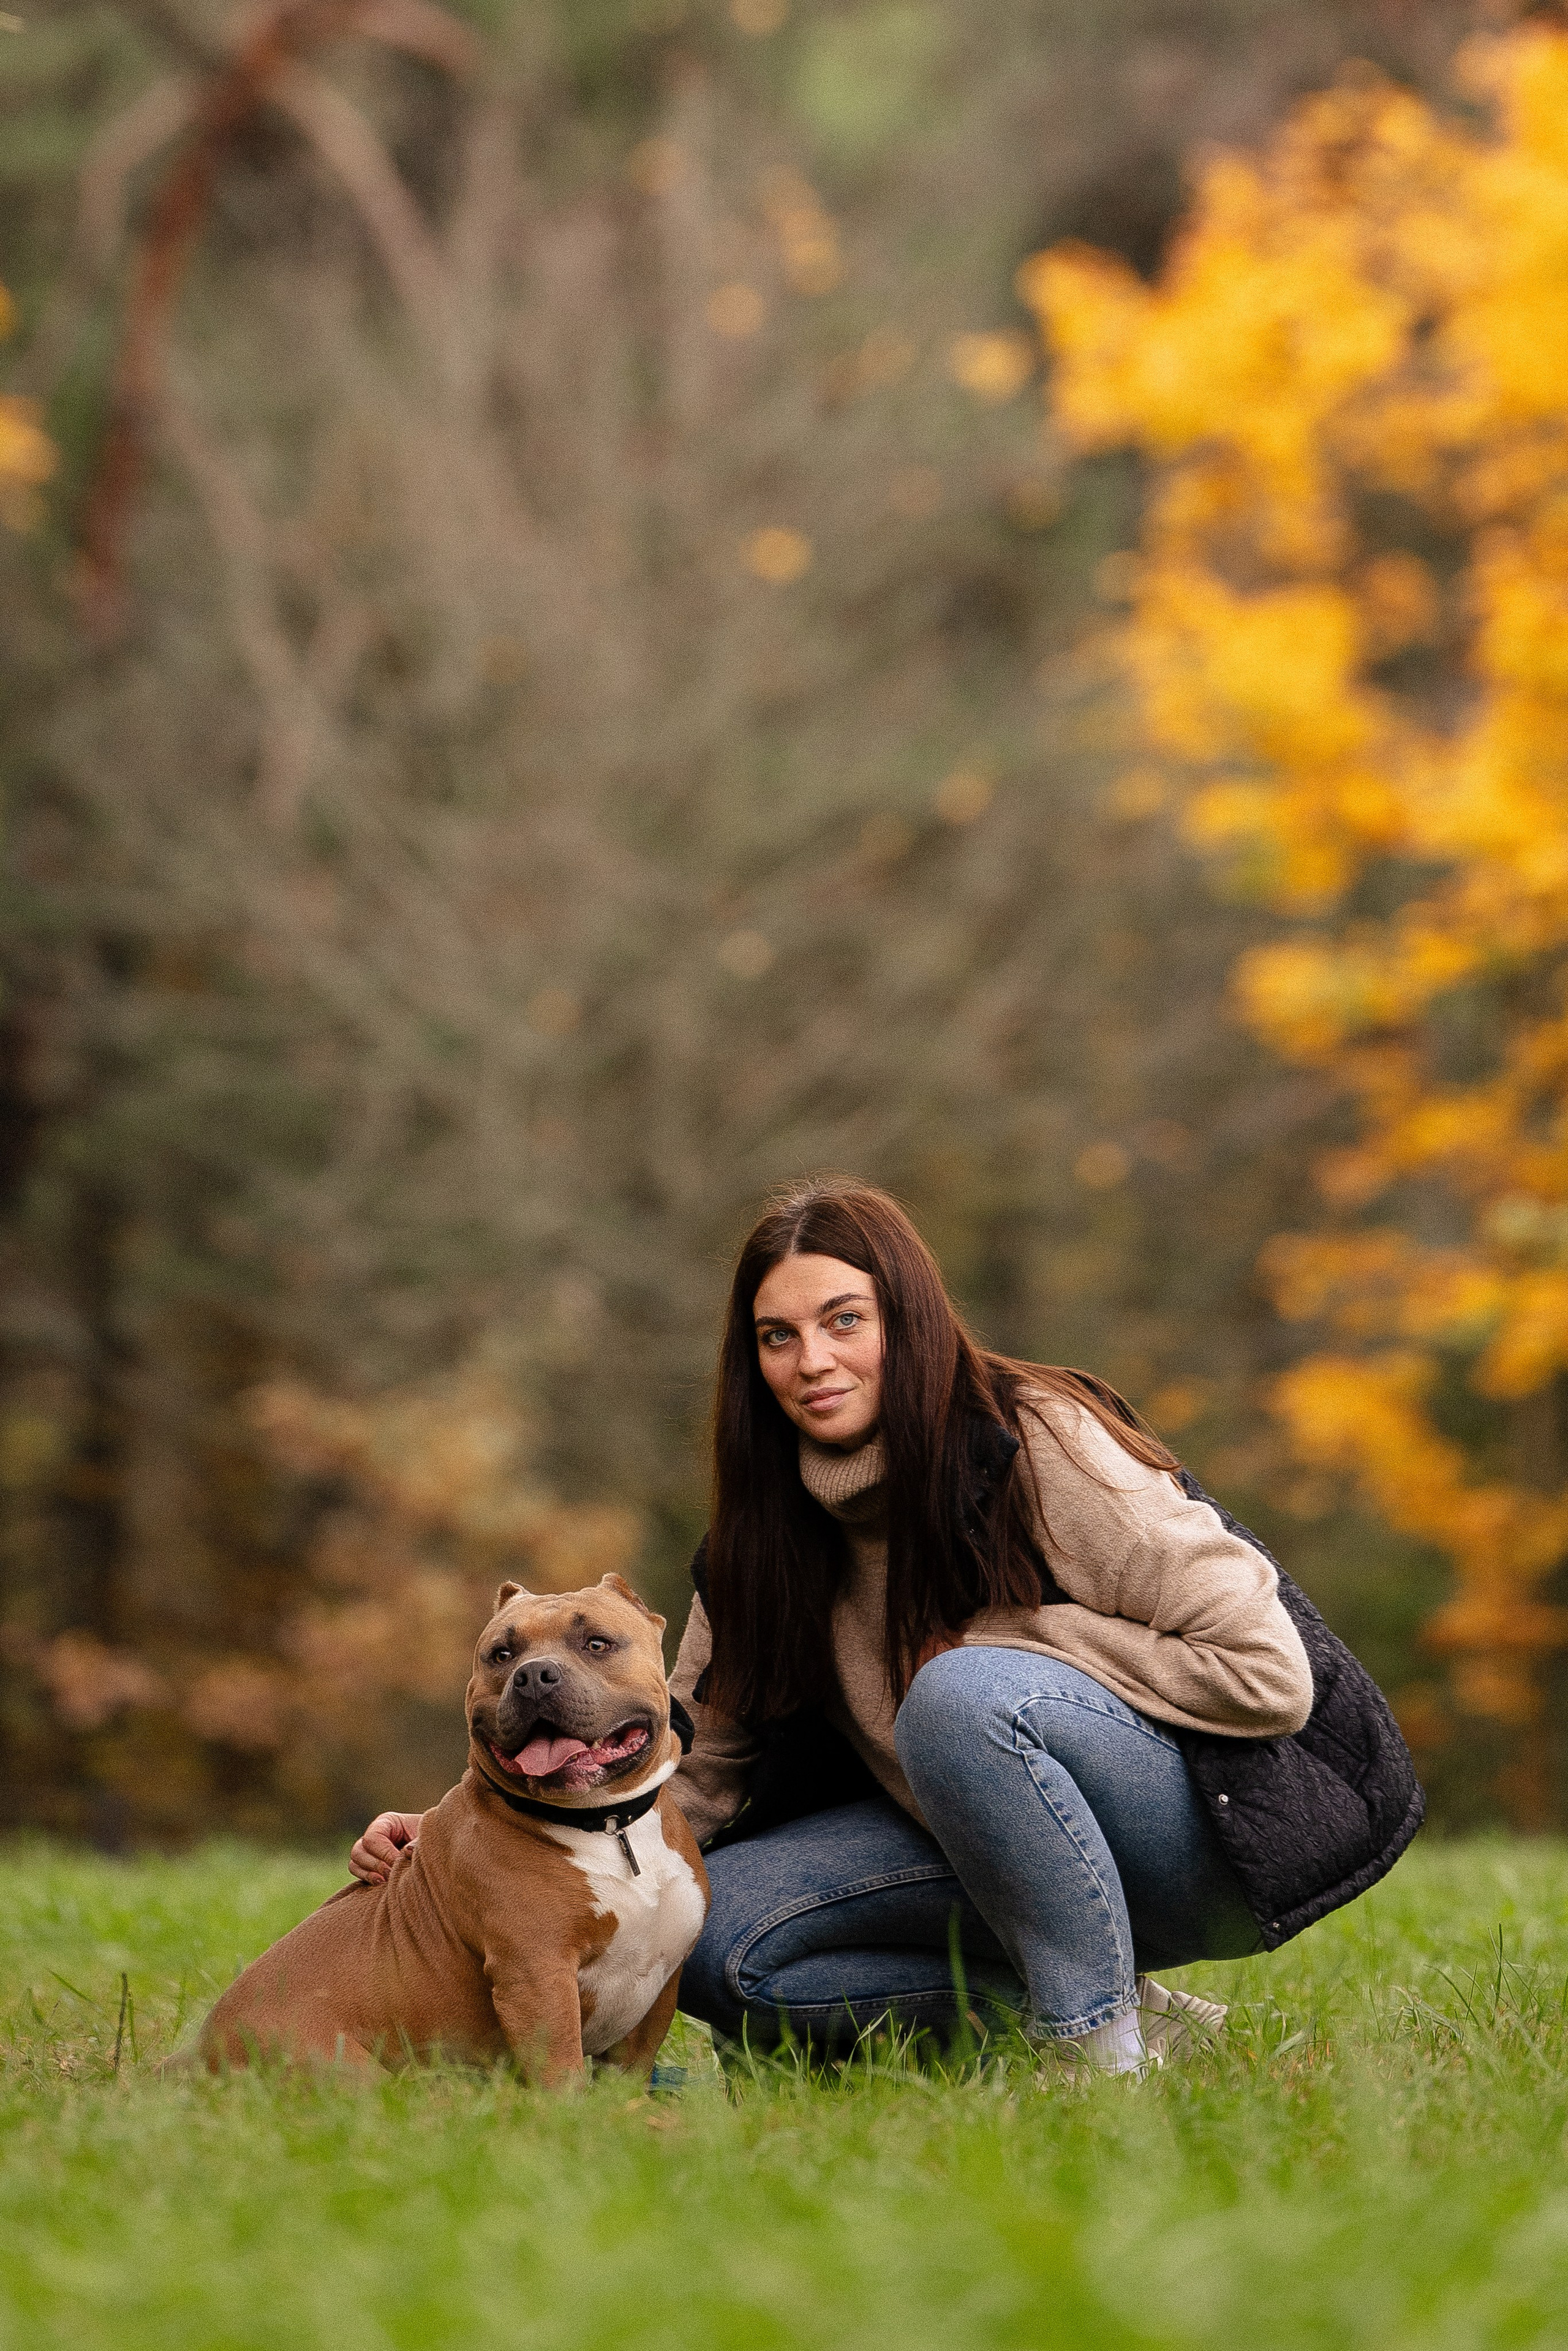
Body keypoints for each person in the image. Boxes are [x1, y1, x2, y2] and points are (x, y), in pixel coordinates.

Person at [351, 1177, 1422, 2077]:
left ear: (905, 1318)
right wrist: (460, 1833)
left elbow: (1270, 1673)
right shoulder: (760, 1543)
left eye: (844, 1320)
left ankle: (1100, 2058)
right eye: (779, 1336)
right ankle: (1129, 2018)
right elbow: (694, 1780)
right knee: (712, 1938)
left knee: (962, 1695)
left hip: (1207, 1832)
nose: (812, 1359)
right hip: (979, 1844)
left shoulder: (1041, 1441)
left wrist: (1015, 1649)